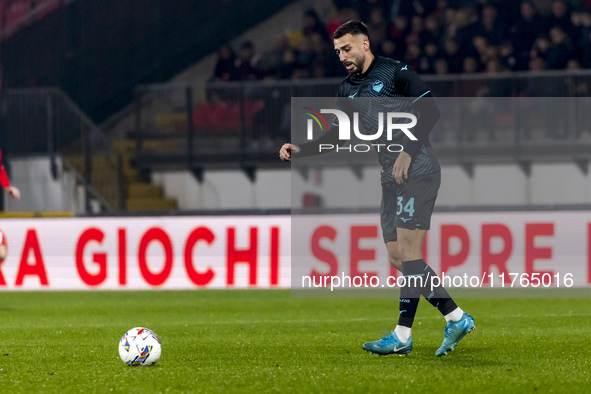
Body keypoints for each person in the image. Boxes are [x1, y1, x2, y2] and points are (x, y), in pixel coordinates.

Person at [279, 20, 474, 357]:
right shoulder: (346, 90)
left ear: (365, 43)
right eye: (338, 51)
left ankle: (402, 336)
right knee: (398, 257)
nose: (342, 56)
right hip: (390, 178)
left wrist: (407, 151)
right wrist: (303, 149)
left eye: (348, 48)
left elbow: (430, 110)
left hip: (419, 169)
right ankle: (455, 317)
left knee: (410, 255)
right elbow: (341, 134)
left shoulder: (396, 72)